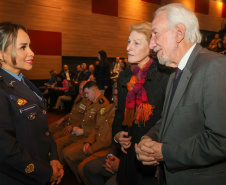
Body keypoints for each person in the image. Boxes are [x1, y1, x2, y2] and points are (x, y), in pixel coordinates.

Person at [135, 3, 226, 185]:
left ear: (178, 32)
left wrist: (165, 152)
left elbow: (221, 140)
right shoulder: (175, 72)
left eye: (155, 33)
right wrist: (149, 139)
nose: (151, 44)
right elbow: (167, 120)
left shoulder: (214, 66)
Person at [0, 22, 64, 184]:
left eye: (30, 46)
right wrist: (45, 173)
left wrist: (53, 157)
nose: (32, 52)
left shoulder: (25, 83)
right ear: (1, 54)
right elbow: (6, 150)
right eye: (23, 47)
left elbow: (43, 129)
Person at [112, 22, 170, 185]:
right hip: (127, 157)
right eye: (129, 41)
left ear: (151, 47)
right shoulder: (124, 77)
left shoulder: (164, 76)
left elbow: (168, 121)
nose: (128, 48)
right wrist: (117, 135)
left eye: (136, 43)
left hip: (150, 159)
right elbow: (119, 113)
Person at [56, 81, 109, 183]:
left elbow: (99, 128)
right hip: (81, 132)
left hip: (89, 137)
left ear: (94, 91)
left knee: (68, 153)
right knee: (62, 147)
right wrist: (77, 127)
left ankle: (83, 180)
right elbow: (84, 119)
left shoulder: (103, 105)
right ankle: (64, 173)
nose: (85, 96)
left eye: (87, 93)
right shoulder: (92, 101)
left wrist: (83, 131)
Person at [82, 87, 119, 185]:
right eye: (115, 95)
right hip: (97, 142)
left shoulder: (124, 112)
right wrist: (89, 141)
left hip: (106, 147)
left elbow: (109, 138)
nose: (117, 98)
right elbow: (97, 126)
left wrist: (93, 148)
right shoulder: (110, 107)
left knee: (83, 167)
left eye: (119, 95)